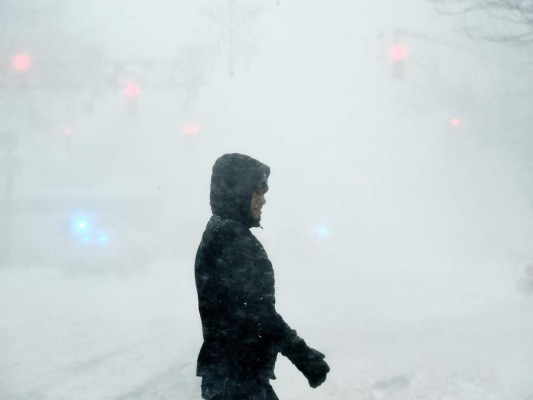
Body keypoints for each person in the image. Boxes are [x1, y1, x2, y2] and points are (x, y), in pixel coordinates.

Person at [195, 153, 330, 400]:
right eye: (257, 190)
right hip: (238, 380)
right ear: (238, 191)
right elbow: (258, 311)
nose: (263, 199)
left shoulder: (218, 231)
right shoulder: (232, 239)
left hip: (232, 376)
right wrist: (302, 355)